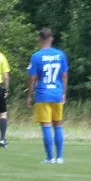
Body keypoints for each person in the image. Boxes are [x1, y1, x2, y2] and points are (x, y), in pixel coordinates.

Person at [26, 28, 68, 164]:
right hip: (57, 93)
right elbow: (64, 75)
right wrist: (63, 92)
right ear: (51, 38)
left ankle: (50, 157)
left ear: (39, 39)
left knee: (46, 126)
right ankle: (60, 157)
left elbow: (32, 78)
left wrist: (29, 95)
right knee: (58, 125)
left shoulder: (36, 56)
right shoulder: (60, 55)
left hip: (43, 94)